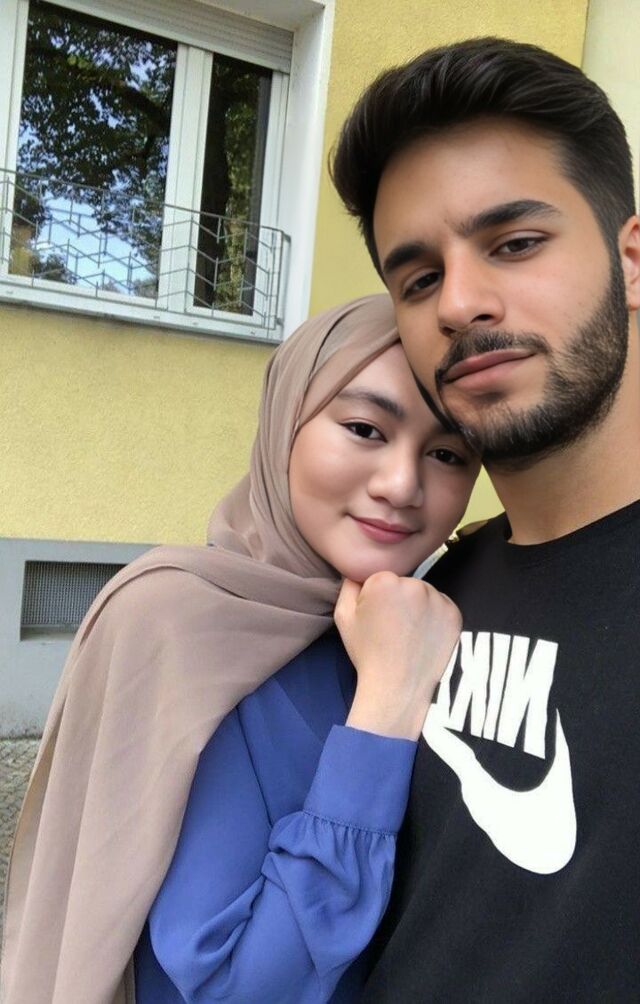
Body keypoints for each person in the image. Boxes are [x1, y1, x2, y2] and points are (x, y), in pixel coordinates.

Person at [1, 295, 479, 1004]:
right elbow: (234, 988)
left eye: (447, 454)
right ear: (285, 424)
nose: (402, 485)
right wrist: (386, 708)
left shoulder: (418, 621)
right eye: (364, 429)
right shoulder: (176, 622)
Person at [330, 37, 640, 1001]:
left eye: (514, 243)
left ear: (632, 260)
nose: (460, 304)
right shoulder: (421, 594)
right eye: (418, 279)